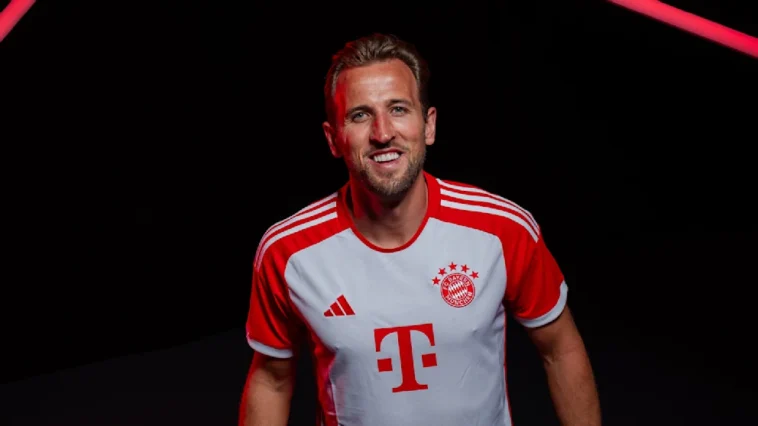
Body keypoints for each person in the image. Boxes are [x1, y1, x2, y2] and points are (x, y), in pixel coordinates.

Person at [239, 33, 601, 426]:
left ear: (428, 125)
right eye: (359, 115)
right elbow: (271, 380)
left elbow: (560, 349)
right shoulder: (288, 251)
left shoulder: (502, 229)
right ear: (333, 139)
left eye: (398, 109)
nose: (382, 133)